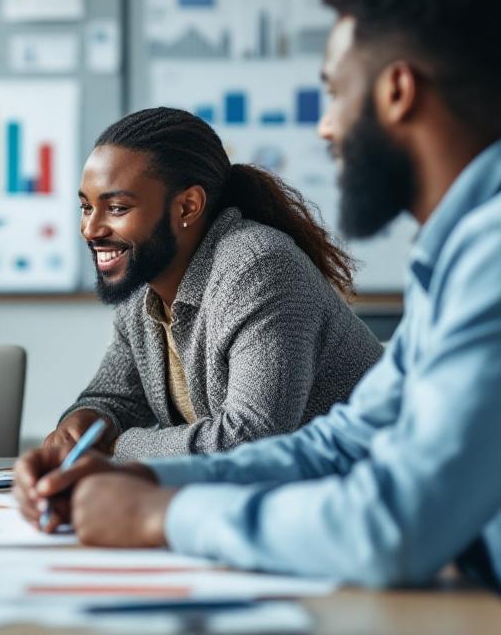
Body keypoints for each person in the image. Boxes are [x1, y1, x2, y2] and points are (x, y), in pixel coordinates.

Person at [14, 0, 501, 632]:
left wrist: (166, 513)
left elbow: (392, 527)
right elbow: (343, 440)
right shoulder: (474, 243)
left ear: (397, 91)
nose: (325, 125)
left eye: (334, 90)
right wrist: (143, 475)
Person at [45, 108, 381, 460]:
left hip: (375, 490)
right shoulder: (145, 285)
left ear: (188, 207)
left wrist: (115, 447)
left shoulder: (258, 268)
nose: (90, 229)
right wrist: (84, 424)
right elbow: (115, 399)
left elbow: (252, 439)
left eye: (116, 208)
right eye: (86, 208)